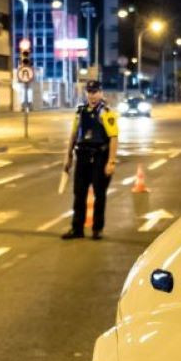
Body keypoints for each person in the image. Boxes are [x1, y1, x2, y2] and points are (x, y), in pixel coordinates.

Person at [63, 79, 119, 240]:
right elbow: (73, 135)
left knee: (99, 194)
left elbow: (114, 137)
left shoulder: (106, 112)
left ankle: (97, 229)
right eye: (89, 92)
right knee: (79, 193)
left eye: (95, 92)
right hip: (82, 157)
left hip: (99, 157)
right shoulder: (80, 112)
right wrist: (68, 157)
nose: (92, 95)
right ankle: (77, 228)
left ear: (101, 93)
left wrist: (111, 161)